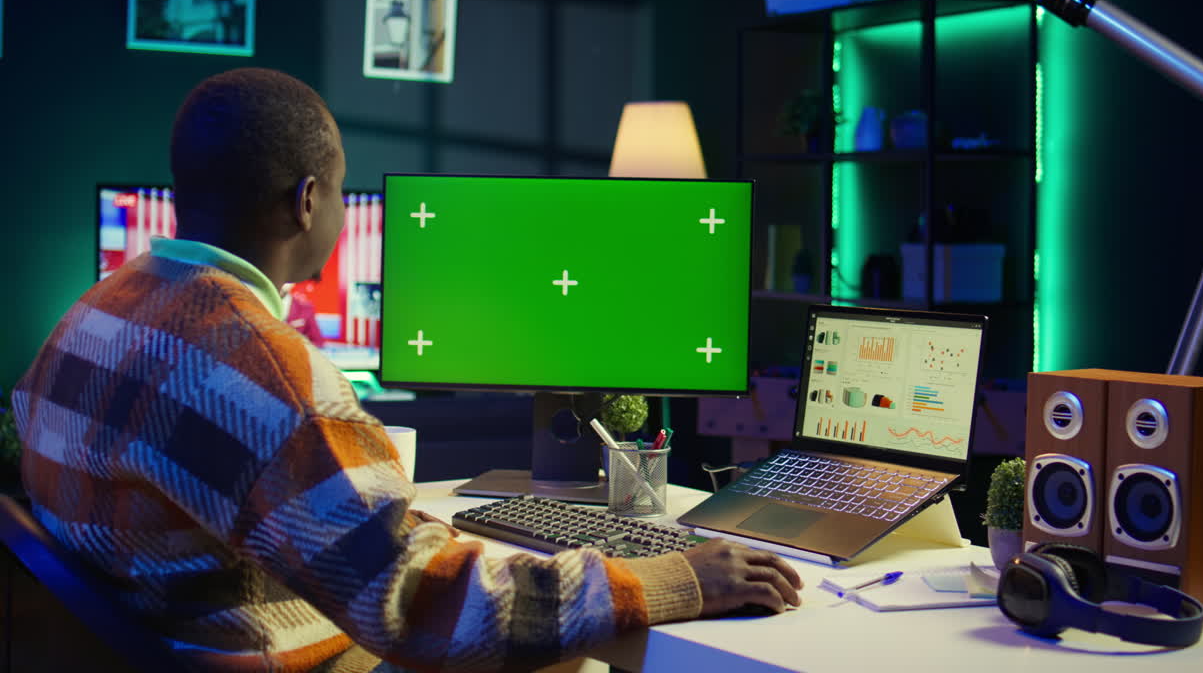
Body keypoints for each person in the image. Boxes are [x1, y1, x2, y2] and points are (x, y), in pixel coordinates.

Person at [12, 68, 801, 672]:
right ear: (308, 200)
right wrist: (680, 579)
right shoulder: (267, 376)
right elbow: (429, 608)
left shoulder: (97, 312)